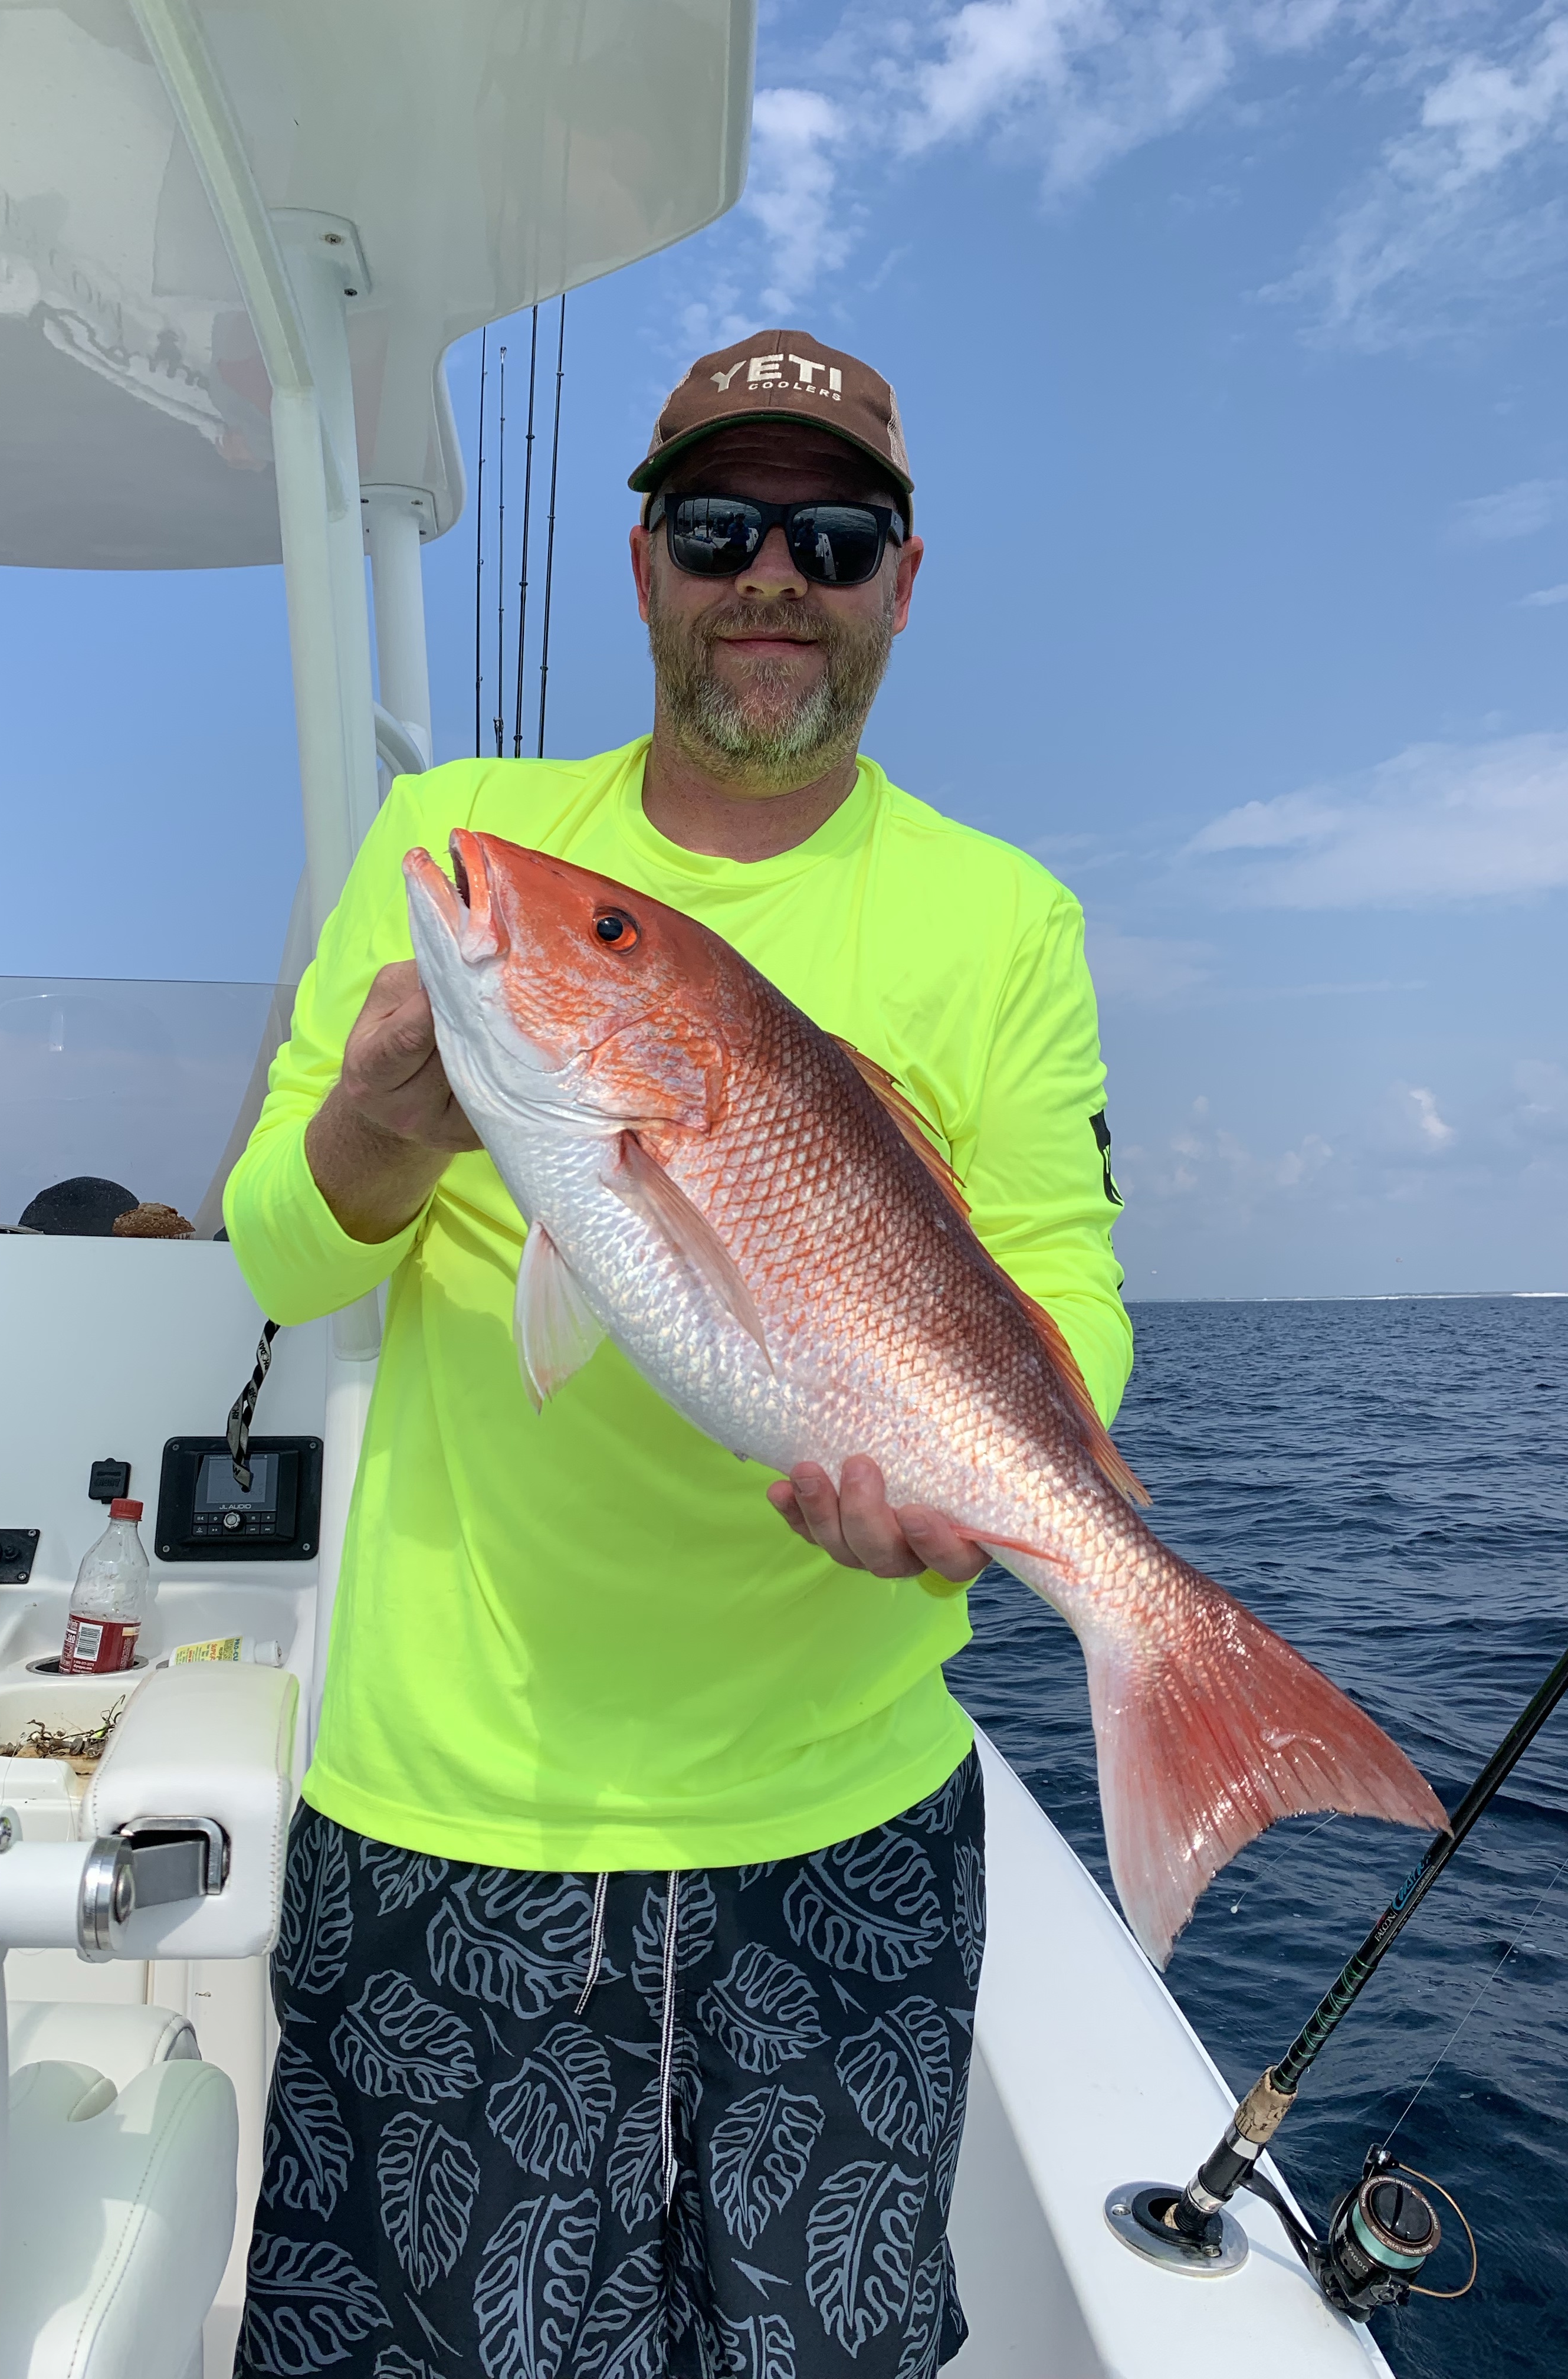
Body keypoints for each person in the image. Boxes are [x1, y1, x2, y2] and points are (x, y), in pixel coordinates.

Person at [225, 329, 1131, 2379]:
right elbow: (277, 1251)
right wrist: (377, 1126)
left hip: (845, 1827)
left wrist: (1000, 1500)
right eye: (721, 529)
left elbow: (1064, 1288)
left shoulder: (1005, 921)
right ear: (646, 564)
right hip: (455, 1809)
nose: (772, 578)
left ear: (904, 582)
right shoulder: (460, 836)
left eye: (834, 538)